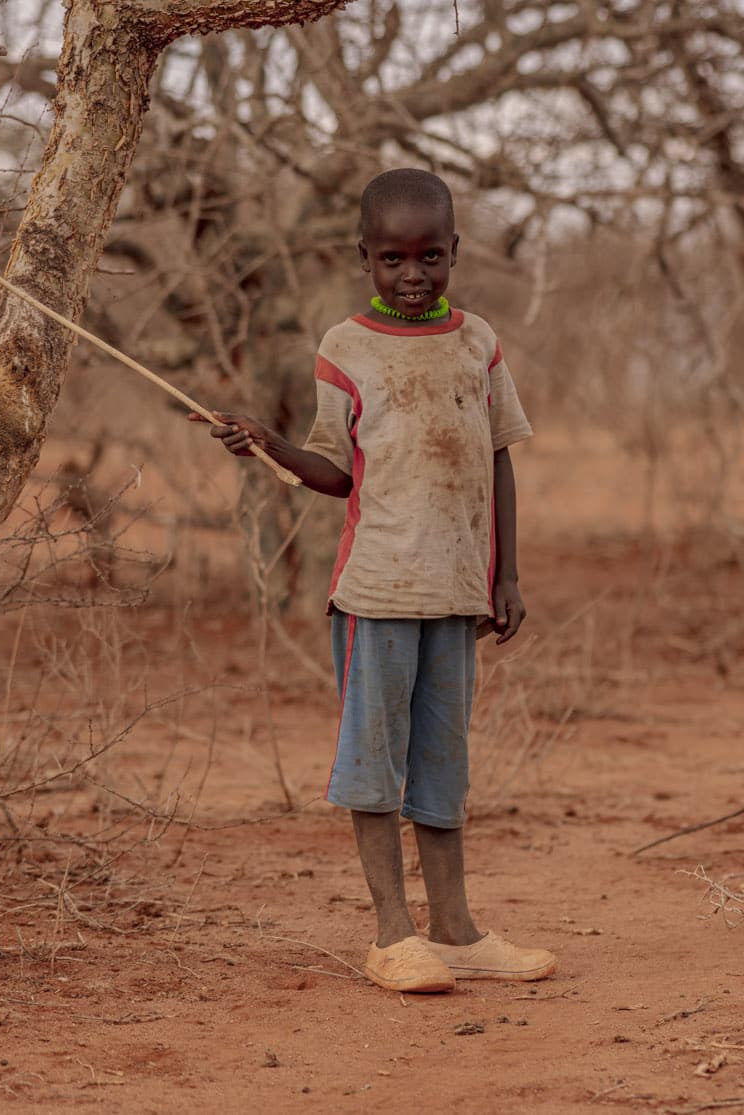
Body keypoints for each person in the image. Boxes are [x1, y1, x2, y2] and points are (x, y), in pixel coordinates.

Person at [203, 168, 556, 993]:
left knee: (443, 763)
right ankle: (392, 934)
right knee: (376, 762)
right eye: (392, 258)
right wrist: (267, 442)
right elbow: (334, 473)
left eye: (431, 256)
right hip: (378, 592)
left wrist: (506, 574)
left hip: (460, 591)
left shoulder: (479, 342)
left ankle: (458, 931)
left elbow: (498, 458)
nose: (413, 275)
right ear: (364, 256)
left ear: (456, 252)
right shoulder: (344, 347)